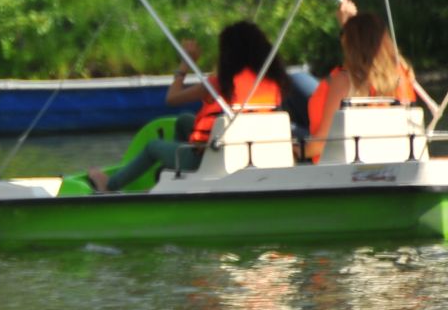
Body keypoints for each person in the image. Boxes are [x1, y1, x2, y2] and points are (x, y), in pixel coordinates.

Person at [89, 20, 296, 192]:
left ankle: (110, 185)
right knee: (184, 121)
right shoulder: (273, 83)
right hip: (252, 152)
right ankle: (178, 179)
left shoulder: (220, 83)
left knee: (152, 147)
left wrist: (185, 66)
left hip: (212, 157)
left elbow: (172, 98)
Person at [304, 0, 420, 161]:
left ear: (350, 45)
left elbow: (324, 142)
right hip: (395, 163)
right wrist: (349, 24)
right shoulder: (403, 75)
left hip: (343, 173)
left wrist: (295, 150)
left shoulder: (344, 81)